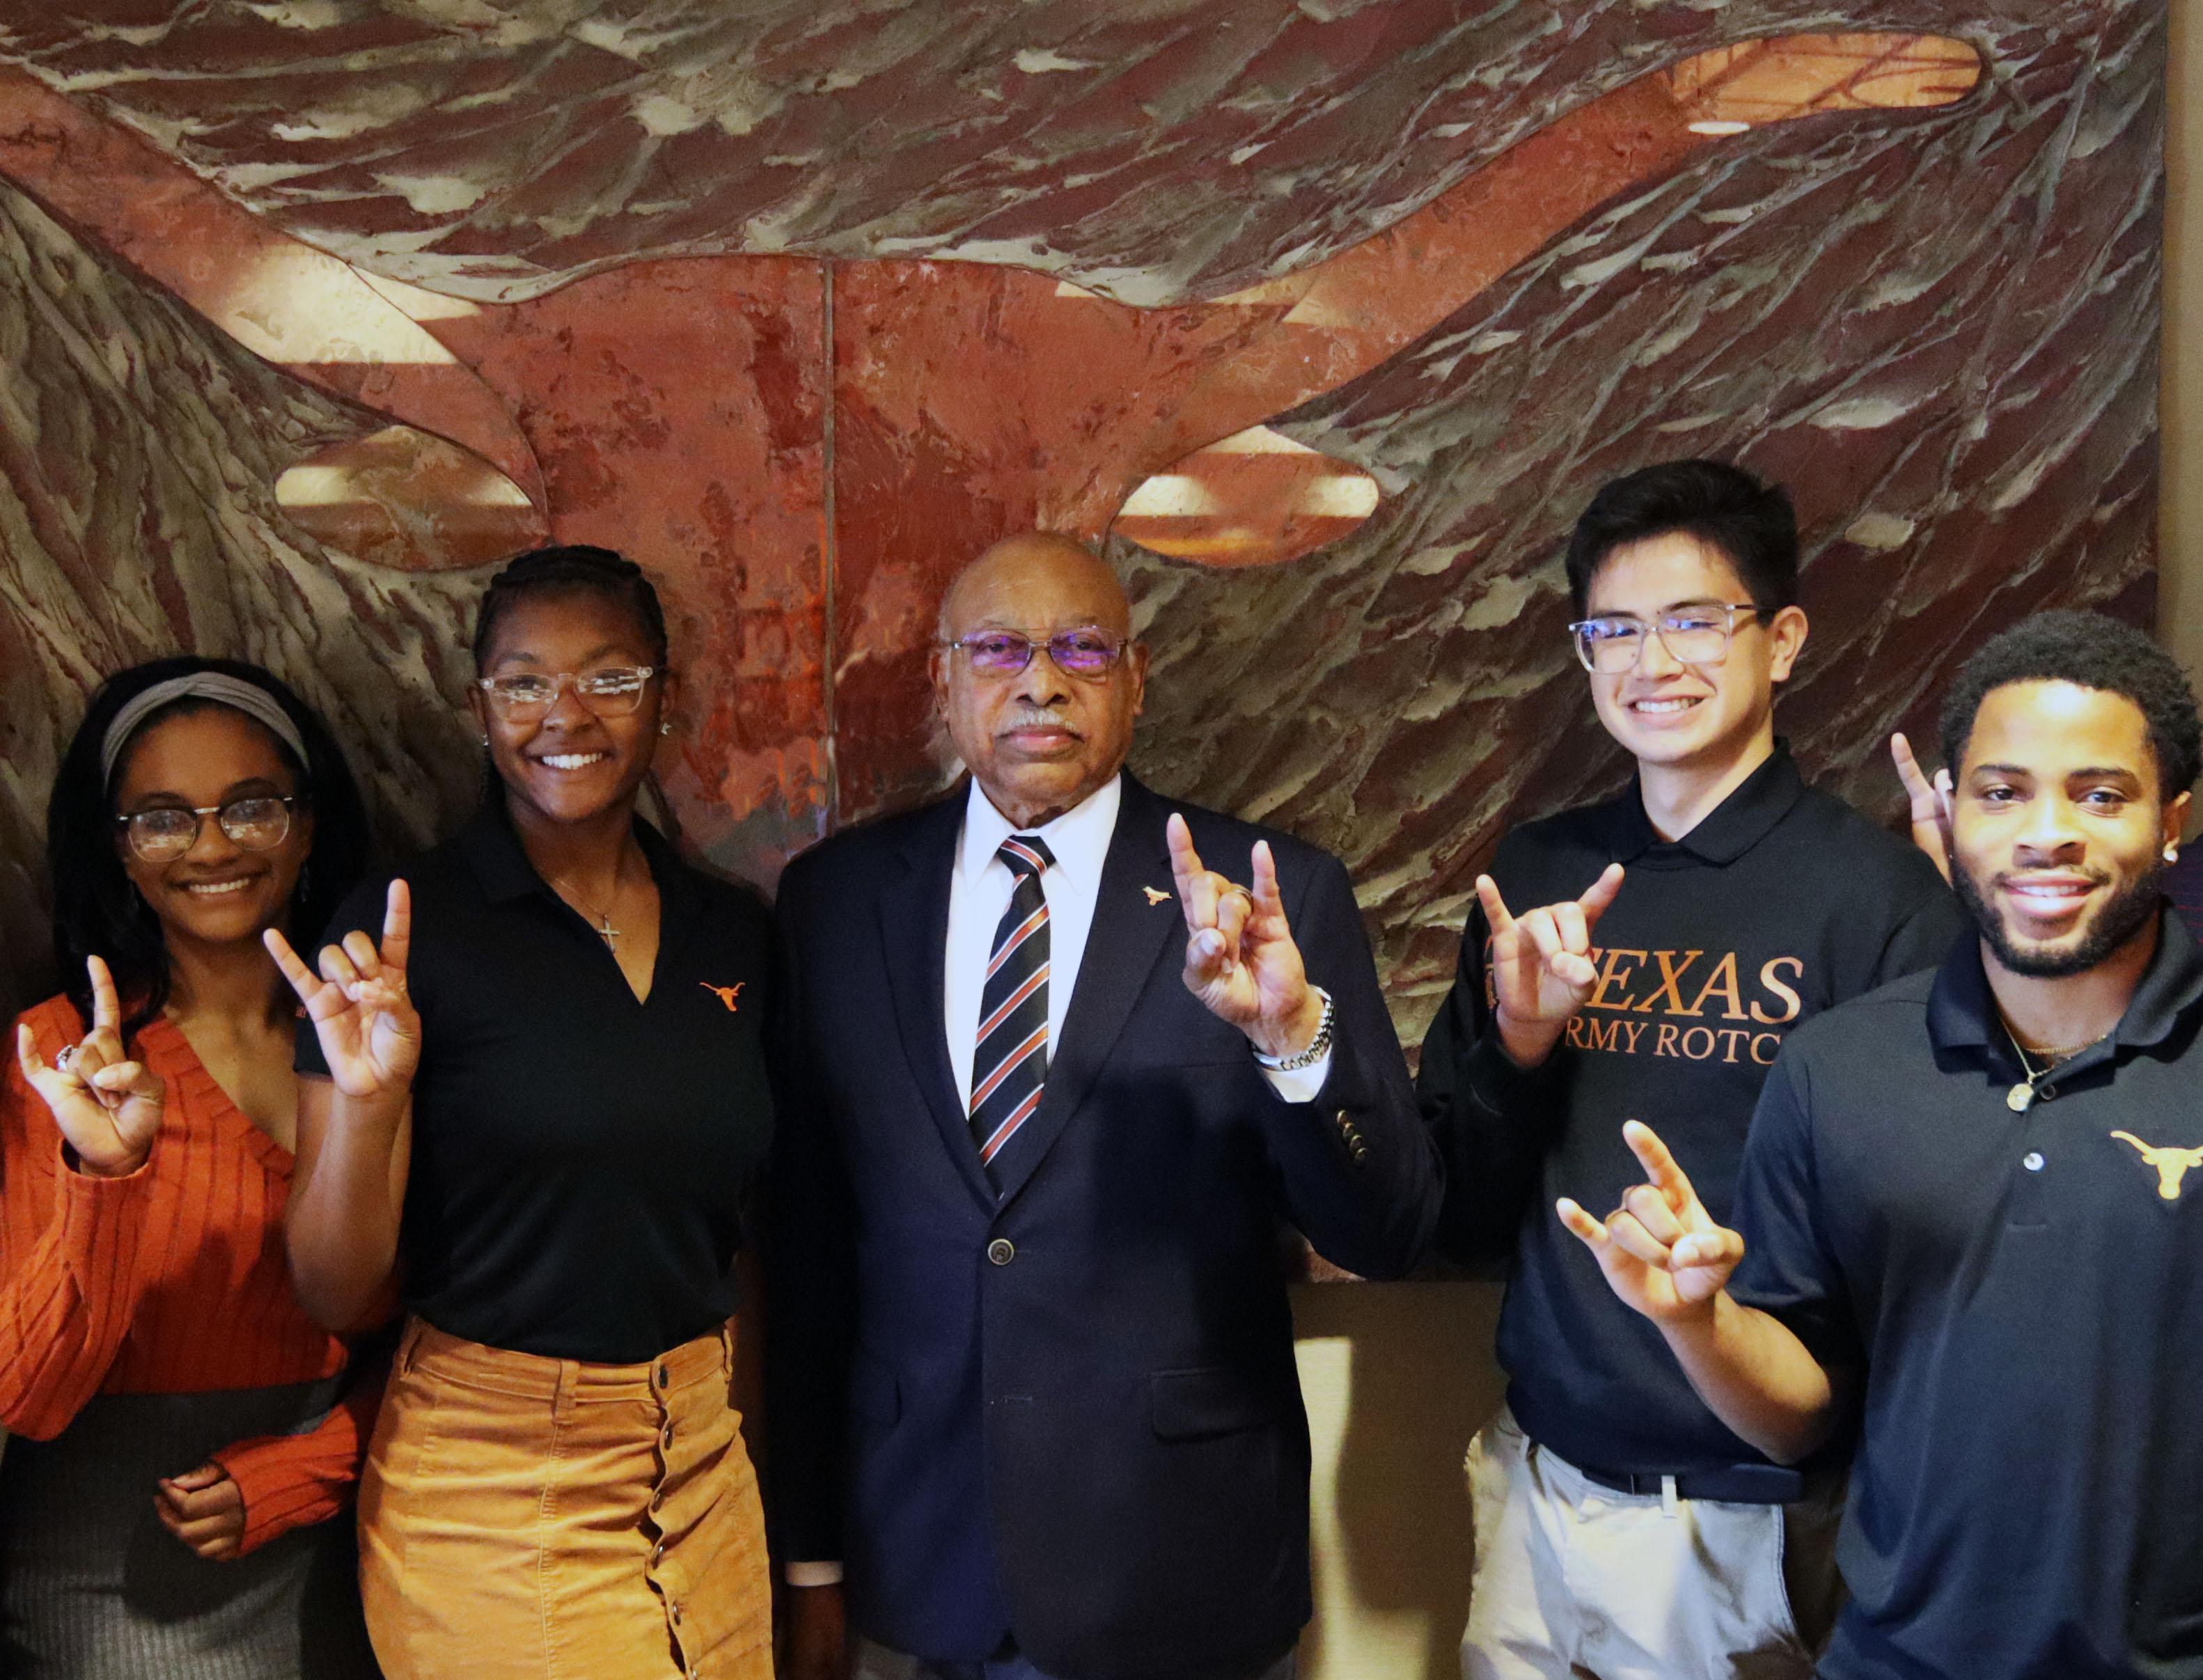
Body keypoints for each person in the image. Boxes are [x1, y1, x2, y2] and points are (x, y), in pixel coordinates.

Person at [767, 531, 1440, 1680]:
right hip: (928, 1555)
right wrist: (813, 1559)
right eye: (998, 649)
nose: (1041, 680)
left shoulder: (1274, 890)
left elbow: (1388, 1229)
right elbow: (811, 1246)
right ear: (942, 679)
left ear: (1136, 680)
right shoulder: (836, 903)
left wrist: (1290, 1041)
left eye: (1082, 646)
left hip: (1176, 1565)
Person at [1563, 609, 2203, 1679]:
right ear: (1949, 812)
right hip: (1896, 1659)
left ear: (2173, 819)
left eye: (2100, 793)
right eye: (2002, 792)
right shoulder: (1839, 1065)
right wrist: (1694, 1319)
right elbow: (1797, 1417)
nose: (2047, 832)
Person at [1416, 460, 1963, 1679]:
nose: (1651, 662)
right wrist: (1517, 1040)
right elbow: (1457, 1202)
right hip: (1538, 1475)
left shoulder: (1877, 902)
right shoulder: (1537, 869)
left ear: (1783, 640)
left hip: (1749, 1514)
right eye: (1614, 628)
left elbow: (1912, 1260)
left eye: (1694, 621)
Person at [273, 547, 776, 1680]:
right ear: (479, 706)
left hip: (701, 1465)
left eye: (608, 678)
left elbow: (738, 1236)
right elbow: (334, 1287)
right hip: (491, 1477)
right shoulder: (405, 925)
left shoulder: (727, 927)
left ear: (663, 695)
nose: (566, 715)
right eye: (524, 681)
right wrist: (368, 1103)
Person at [0, 656, 382, 1677]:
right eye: (163, 818)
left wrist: (314, 1466)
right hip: (113, 1582)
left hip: (351, 1559)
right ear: (117, 850)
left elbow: (453, 1334)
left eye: (250, 806)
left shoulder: (378, 1043)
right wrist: (104, 1174)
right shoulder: (60, 1058)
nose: (211, 845)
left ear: (307, 826)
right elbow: (27, 1395)